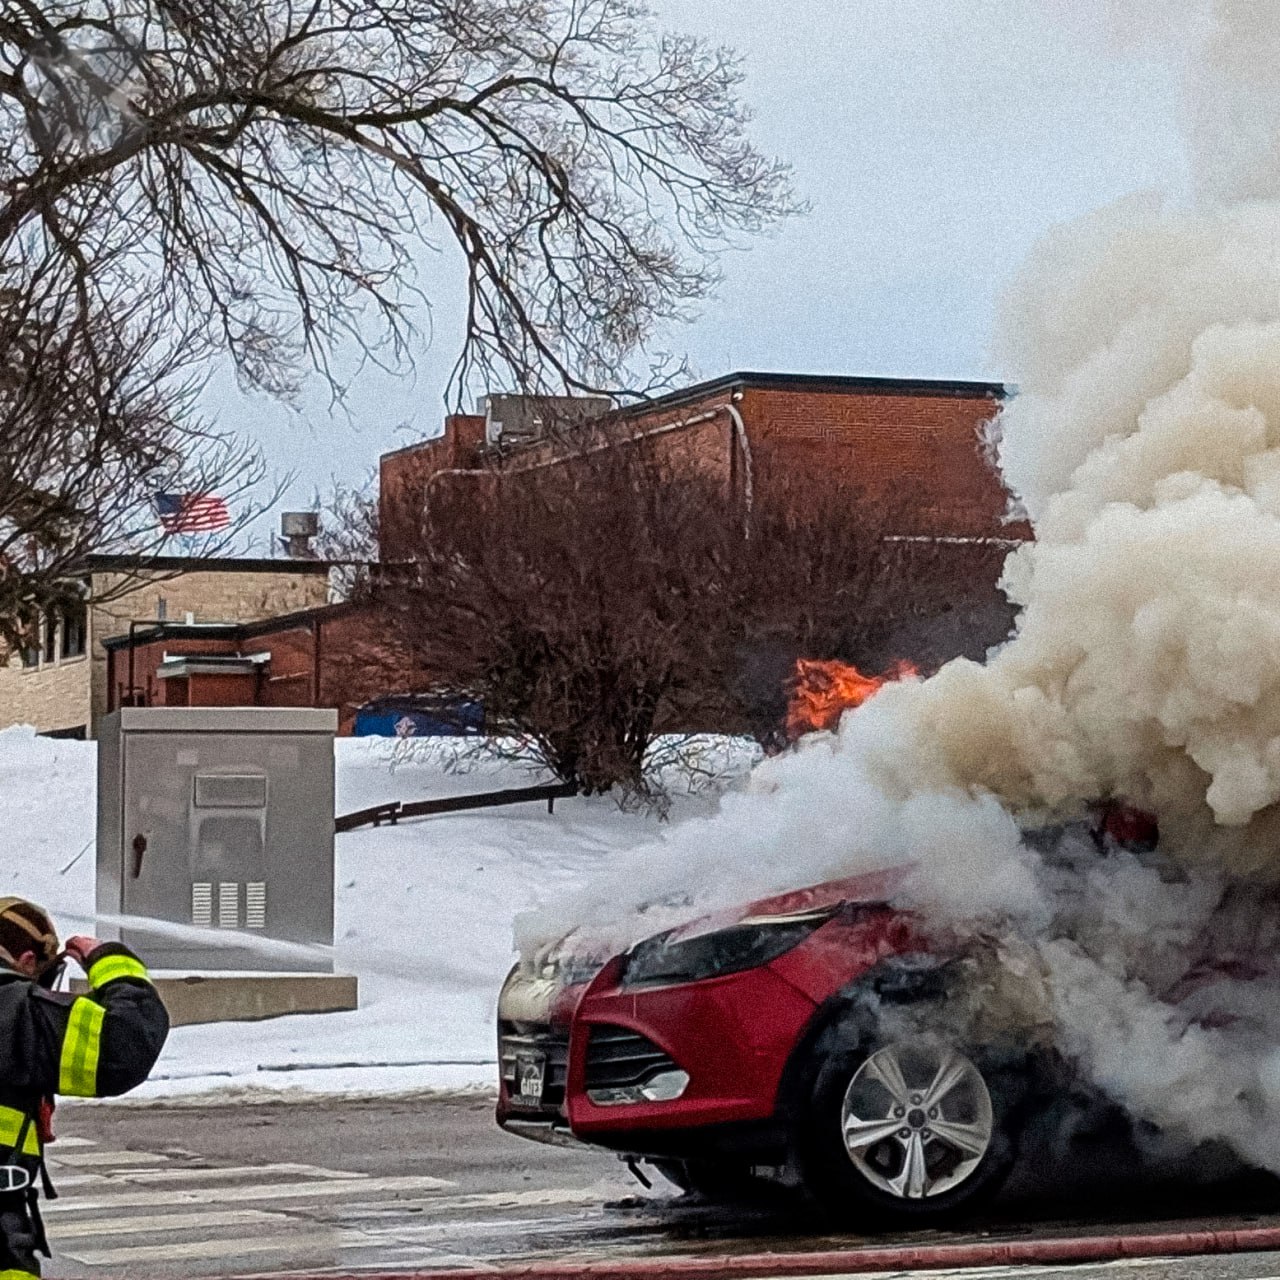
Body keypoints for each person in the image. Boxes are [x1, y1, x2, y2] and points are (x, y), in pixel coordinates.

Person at [0, 897, 169, 1278]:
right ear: (26, 961)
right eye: (41, 975)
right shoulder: (13, 1009)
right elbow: (126, 1043)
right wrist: (112, 962)